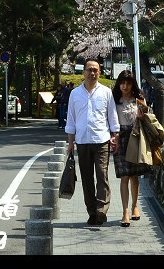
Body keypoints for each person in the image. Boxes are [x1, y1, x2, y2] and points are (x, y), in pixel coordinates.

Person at [65, 60, 119, 226]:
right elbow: (71, 120)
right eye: (89, 70)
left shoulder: (106, 92)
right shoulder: (75, 94)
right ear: (84, 72)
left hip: (101, 140)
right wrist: (70, 143)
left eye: (95, 70)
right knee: (86, 178)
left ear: (100, 72)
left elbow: (112, 117)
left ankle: (101, 210)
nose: (92, 73)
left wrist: (114, 136)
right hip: (82, 141)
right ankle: (91, 211)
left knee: (102, 175)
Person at [112, 70, 152, 227]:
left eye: (128, 83)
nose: (125, 86)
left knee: (134, 176)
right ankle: (125, 211)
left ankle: (135, 206)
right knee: (124, 176)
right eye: (122, 82)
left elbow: (148, 115)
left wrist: (143, 115)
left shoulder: (139, 99)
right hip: (120, 137)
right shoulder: (114, 99)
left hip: (135, 137)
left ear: (132, 84)